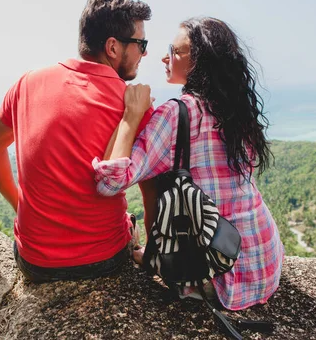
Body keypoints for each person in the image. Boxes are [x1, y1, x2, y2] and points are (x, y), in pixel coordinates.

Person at [93, 17, 284, 310]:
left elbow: (110, 183)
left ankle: (152, 255)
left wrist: (131, 114)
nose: (164, 56)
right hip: (264, 260)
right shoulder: (236, 109)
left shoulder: (176, 114)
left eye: (174, 50)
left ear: (199, 62)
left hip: (219, 272)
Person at [0, 0, 154, 282]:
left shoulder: (26, 83)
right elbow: (152, 193)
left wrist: (20, 205)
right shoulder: (133, 103)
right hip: (101, 260)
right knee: (129, 224)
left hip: (33, 260)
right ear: (113, 47)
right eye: (141, 43)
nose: (145, 53)